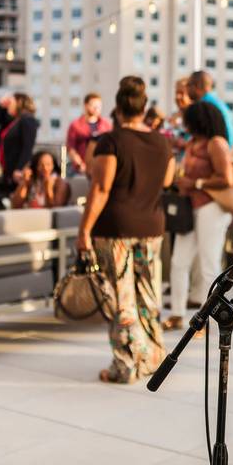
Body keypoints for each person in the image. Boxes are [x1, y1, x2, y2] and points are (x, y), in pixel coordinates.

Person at [76, 76, 174, 384]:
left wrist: (84, 231)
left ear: (118, 108)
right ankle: (153, 357)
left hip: (116, 226)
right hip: (152, 227)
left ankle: (126, 365)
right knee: (148, 295)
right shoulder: (163, 141)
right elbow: (168, 180)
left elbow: (101, 187)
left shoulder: (111, 141)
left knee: (122, 299)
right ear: (144, 108)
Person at [163, 102, 233, 331]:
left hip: (211, 209)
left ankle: (204, 320)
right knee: (178, 262)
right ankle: (176, 314)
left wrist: (196, 183)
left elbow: (227, 178)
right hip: (190, 209)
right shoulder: (194, 143)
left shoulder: (216, 144)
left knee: (208, 264)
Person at [0, 92, 39, 192]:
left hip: (17, 172)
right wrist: (3, 107)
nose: (9, 105)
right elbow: (1, 122)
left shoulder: (27, 119)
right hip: (9, 170)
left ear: (19, 103)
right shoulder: (16, 120)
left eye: (11, 102)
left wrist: (19, 168)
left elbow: (27, 146)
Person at [187, 70, 233, 147]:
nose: (186, 88)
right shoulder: (217, 102)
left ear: (197, 86)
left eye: (188, 85)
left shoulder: (204, 107)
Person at [66, 93, 112, 176]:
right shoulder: (75, 125)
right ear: (85, 105)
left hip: (101, 167)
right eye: (93, 105)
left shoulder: (106, 125)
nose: (96, 108)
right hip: (81, 169)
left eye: (98, 106)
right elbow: (70, 147)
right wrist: (80, 164)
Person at [167, 78, 193, 162]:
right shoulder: (172, 117)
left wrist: (181, 143)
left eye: (181, 93)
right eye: (176, 93)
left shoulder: (197, 119)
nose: (178, 97)